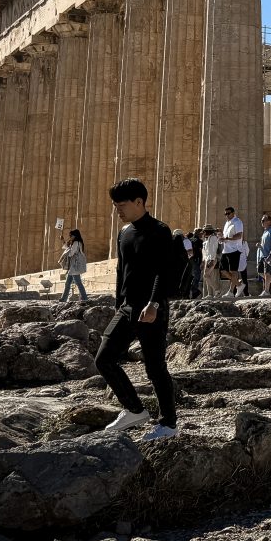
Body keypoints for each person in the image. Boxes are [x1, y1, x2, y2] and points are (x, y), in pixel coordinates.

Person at [97, 178, 179, 441]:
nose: (118, 211)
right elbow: (121, 271)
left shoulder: (159, 231)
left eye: (121, 206)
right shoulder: (124, 232)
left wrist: (154, 303)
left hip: (152, 307)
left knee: (155, 368)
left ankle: (168, 424)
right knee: (104, 359)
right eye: (115, 206)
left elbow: (164, 272)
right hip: (127, 307)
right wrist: (118, 305)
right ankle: (134, 410)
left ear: (139, 202)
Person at [220, 207, 247, 297]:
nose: (227, 215)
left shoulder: (237, 222)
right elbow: (226, 236)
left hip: (235, 249)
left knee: (234, 271)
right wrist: (222, 238)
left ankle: (231, 292)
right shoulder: (227, 223)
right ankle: (239, 284)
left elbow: (239, 235)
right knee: (223, 270)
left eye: (228, 213)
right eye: (225, 214)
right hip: (226, 250)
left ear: (233, 213)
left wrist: (226, 238)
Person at [59, 230, 88, 302]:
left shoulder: (76, 242)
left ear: (75, 235)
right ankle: (64, 298)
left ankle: (84, 298)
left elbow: (71, 253)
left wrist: (67, 252)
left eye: (71, 236)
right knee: (68, 283)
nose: (70, 237)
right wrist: (63, 240)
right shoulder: (76, 242)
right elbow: (67, 248)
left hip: (75, 265)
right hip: (73, 265)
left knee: (78, 282)